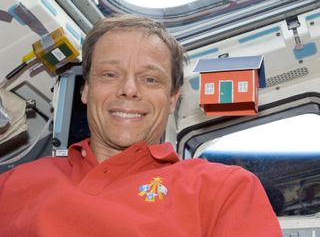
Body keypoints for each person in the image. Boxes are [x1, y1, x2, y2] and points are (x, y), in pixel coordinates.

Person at [0, 14, 282, 236]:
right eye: (110, 74)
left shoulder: (225, 190)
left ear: (172, 99)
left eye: (150, 79)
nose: (129, 89)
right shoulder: (11, 186)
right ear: (85, 90)